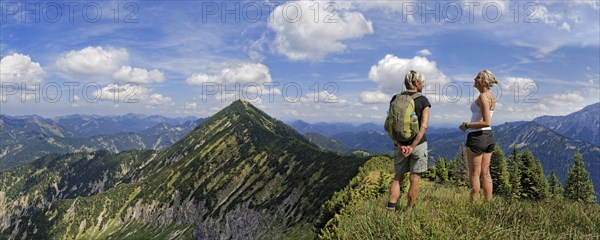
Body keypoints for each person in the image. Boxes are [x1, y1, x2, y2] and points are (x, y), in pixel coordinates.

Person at [387, 70, 431, 210]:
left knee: (398, 177)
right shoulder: (423, 100)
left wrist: (399, 144)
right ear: (416, 83)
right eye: (422, 83)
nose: (423, 85)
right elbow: (424, 126)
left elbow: (390, 124)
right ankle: (410, 210)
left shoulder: (395, 98)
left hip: (399, 144)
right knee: (415, 178)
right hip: (418, 145)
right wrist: (412, 146)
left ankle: (391, 208)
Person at [459, 70, 499, 202]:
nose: (475, 78)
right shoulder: (491, 96)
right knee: (486, 172)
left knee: (475, 173)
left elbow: (486, 121)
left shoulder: (483, 97)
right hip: (488, 136)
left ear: (484, 82)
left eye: (478, 77)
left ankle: (473, 204)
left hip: (477, 137)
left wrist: (466, 125)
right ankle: (488, 203)